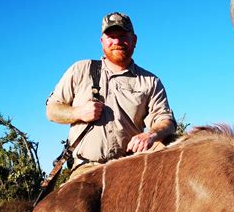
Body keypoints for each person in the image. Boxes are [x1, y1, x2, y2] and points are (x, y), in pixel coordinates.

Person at [46, 12, 176, 179]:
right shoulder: (81, 70)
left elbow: (166, 121)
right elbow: (52, 110)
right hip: (87, 168)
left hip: (130, 168)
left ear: (134, 40)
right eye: (111, 36)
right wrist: (78, 112)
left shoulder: (150, 81)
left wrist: (150, 135)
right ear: (102, 41)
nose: (116, 42)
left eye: (122, 36)